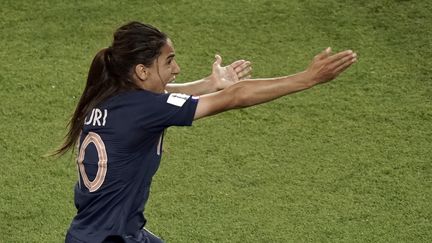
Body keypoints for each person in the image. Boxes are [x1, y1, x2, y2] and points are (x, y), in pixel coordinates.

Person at [57, 21, 356, 243]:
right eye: (169, 61)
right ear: (141, 71)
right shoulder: (144, 109)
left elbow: (166, 95)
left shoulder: (108, 95)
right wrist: (307, 78)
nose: (176, 68)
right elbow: (235, 97)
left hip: (99, 232)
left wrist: (208, 85)